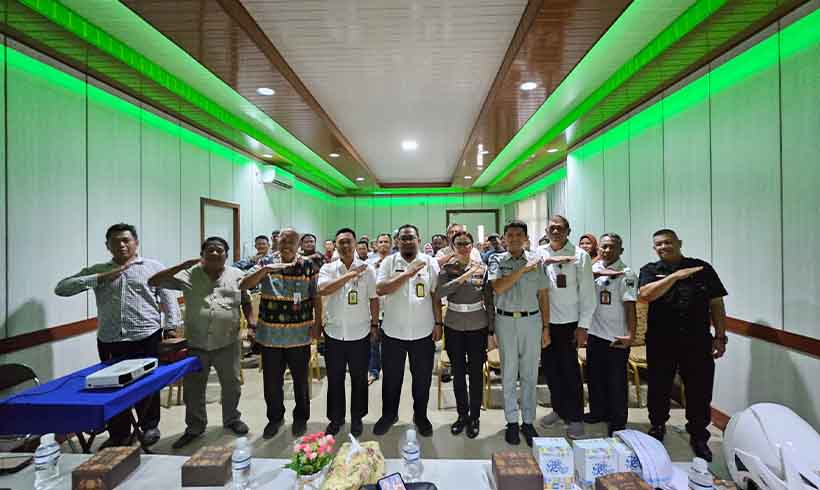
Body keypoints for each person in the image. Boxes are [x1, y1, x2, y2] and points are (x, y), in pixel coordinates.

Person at [54, 223, 181, 448]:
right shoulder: (98, 270)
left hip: (146, 336)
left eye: (126, 240)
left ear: (136, 243)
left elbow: (169, 299)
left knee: (146, 385)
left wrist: (171, 327)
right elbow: (62, 288)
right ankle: (119, 433)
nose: (121, 245)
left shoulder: (152, 267)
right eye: (115, 241)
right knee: (111, 388)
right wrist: (100, 277)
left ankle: (149, 426)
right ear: (107, 246)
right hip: (110, 339)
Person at [148, 237, 251, 448]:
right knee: (194, 388)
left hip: (227, 341)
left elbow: (246, 300)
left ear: (226, 255)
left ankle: (232, 418)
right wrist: (181, 265)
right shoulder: (189, 273)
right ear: (202, 254)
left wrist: (252, 323)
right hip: (196, 342)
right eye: (210, 250)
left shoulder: (236, 274)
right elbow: (154, 281)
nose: (215, 253)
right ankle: (195, 427)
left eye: (219, 250)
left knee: (232, 385)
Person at [638, 229, 728, 462]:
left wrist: (720, 337)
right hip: (661, 340)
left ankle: (698, 435)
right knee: (659, 386)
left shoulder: (702, 269)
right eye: (658, 244)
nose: (663, 247)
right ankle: (658, 426)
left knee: (700, 390)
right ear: (654, 248)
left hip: (697, 340)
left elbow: (717, 304)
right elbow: (646, 295)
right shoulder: (650, 270)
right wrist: (674, 277)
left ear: (679, 243)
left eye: (668, 242)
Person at [240, 228, 322, 439]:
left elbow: (316, 296)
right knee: (272, 382)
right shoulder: (265, 262)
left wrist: (318, 323)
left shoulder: (308, 265)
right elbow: (244, 285)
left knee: (300, 381)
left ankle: (301, 418)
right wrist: (266, 269)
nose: (286, 245)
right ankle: (275, 419)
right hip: (270, 337)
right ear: (277, 242)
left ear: (298, 245)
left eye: (291, 242)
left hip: (299, 335)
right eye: (283, 241)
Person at [373, 224, 443, 437]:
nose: (407, 241)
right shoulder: (389, 262)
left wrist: (439, 324)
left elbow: (435, 295)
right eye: (403, 238)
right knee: (391, 378)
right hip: (393, 332)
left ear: (418, 240)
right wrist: (408, 273)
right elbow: (380, 288)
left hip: (423, 332)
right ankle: (389, 415)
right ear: (397, 242)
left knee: (422, 379)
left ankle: (420, 416)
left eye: (411, 238)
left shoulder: (430, 262)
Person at [488, 220, 551, 447]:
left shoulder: (537, 261)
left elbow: (543, 295)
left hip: (531, 321)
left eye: (518, 235)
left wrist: (546, 327)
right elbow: (498, 287)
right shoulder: (496, 260)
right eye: (510, 235)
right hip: (505, 320)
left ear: (525, 238)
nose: (514, 239)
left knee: (530, 373)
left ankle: (528, 421)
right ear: (504, 238)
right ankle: (512, 422)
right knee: (508, 372)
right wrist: (523, 269)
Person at [538, 215, 596, 439]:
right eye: (551, 228)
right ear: (546, 231)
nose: (555, 232)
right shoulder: (539, 253)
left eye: (559, 228)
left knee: (570, 371)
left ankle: (575, 417)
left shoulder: (580, 256)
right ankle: (559, 409)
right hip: (545, 323)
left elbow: (588, 293)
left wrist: (583, 326)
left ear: (568, 231)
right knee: (551, 370)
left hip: (570, 323)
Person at [318, 228, 379, 437]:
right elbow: (323, 289)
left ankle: (357, 418)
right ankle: (336, 419)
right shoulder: (328, 268)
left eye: (349, 241)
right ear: (336, 245)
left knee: (359, 379)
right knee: (335, 379)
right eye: (341, 242)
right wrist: (350, 275)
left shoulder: (368, 270)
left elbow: (374, 299)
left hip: (360, 333)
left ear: (355, 244)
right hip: (334, 333)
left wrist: (374, 325)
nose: (345, 245)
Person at [435, 231, 491, 439]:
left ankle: (475, 416)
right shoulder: (446, 269)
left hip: (478, 325)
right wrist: (462, 277)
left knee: (476, 373)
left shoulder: (482, 269)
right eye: (458, 244)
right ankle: (462, 415)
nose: (463, 247)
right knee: (458, 373)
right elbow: (440, 293)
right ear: (453, 246)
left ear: (472, 245)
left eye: (467, 243)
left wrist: (491, 330)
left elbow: (489, 300)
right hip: (454, 325)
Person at [584, 233, 637, 437]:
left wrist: (631, 335)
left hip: (616, 338)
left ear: (620, 250)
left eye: (611, 247)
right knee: (595, 377)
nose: (606, 250)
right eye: (603, 246)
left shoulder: (626, 274)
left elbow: (630, 306)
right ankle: (598, 412)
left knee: (616, 382)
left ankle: (617, 421)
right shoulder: (594, 269)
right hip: (595, 334)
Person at [366, 233, 392, 385]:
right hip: (374, 308)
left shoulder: (396, 261)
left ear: (391, 244)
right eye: (380, 242)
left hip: (391, 309)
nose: (383, 244)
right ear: (376, 245)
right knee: (373, 342)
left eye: (386, 242)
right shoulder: (369, 263)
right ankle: (373, 371)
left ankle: (389, 371)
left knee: (390, 345)